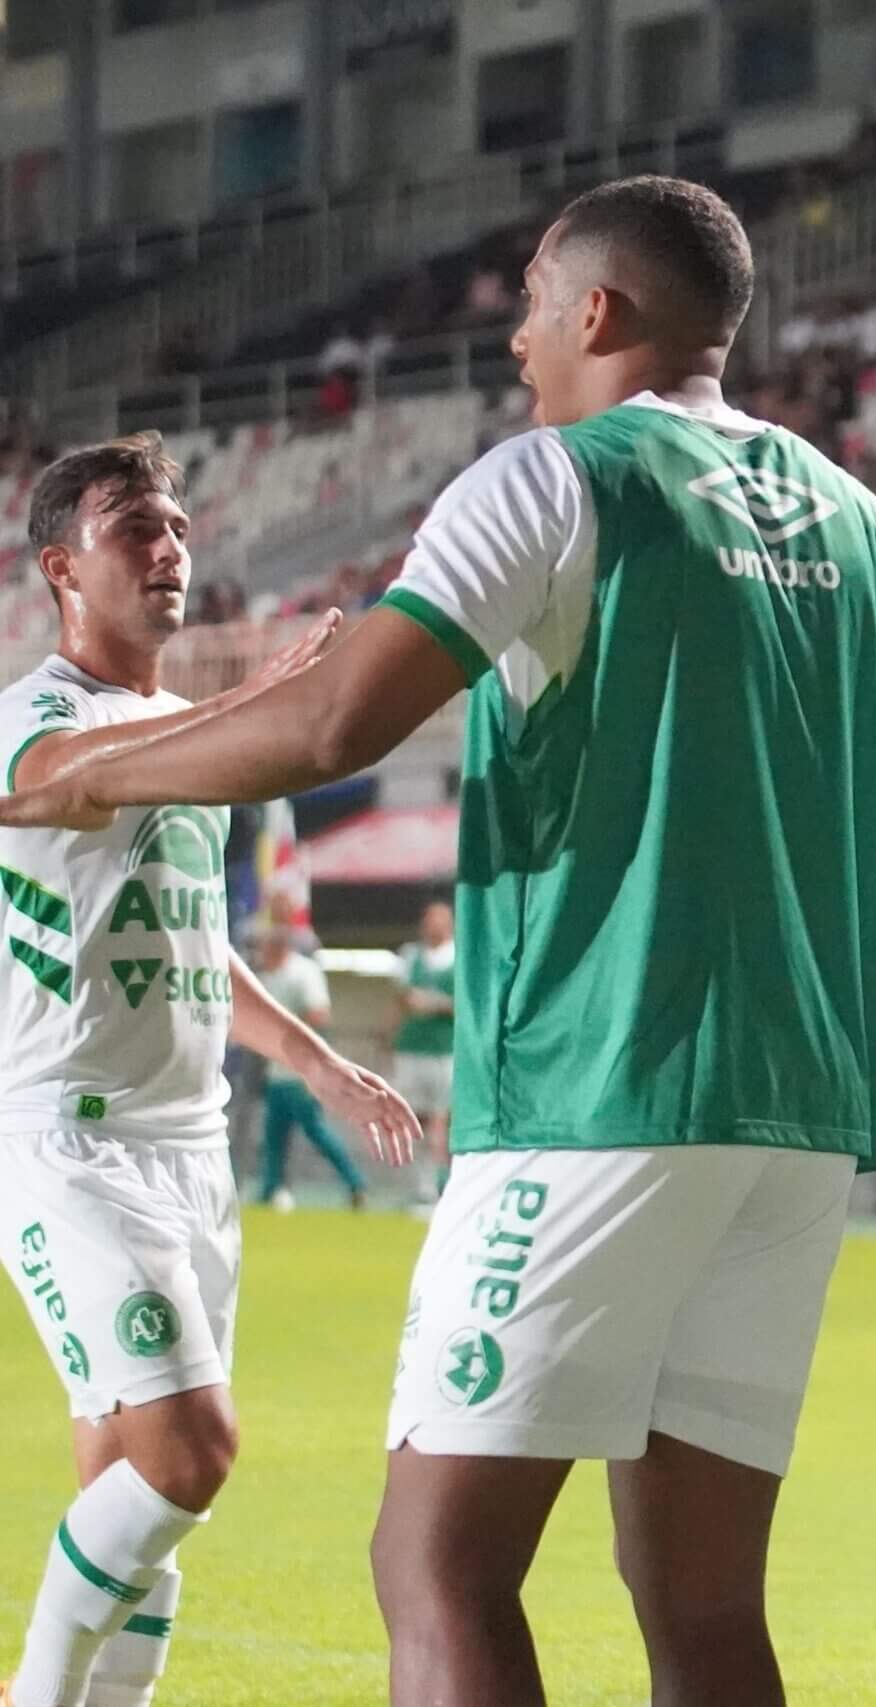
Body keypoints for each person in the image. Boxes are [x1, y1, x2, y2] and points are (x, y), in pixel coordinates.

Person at [0, 176, 876, 1707]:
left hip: (593, 1093)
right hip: (793, 1115)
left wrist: (76, 770)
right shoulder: (859, 520)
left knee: (440, 1565)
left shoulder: (548, 479)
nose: (515, 333)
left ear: (598, 309)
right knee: (707, 1601)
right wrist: (746, 873)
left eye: (530, 296)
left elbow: (333, 721)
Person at [0, 436, 417, 1707]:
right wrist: (255, 704)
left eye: (179, 525)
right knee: (191, 1454)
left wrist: (318, 1056)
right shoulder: (38, 715)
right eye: (137, 527)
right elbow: (49, 793)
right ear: (65, 566)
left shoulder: (184, 734)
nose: (171, 548)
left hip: (190, 1147)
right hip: (71, 1140)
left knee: (132, 1484)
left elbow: (196, 946)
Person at [250, 924, 373, 1211]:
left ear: (279, 948)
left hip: (299, 1073)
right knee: (273, 1137)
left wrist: (302, 1051)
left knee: (316, 1131)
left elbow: (318, 1014)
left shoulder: (303, 972)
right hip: (275, 1071)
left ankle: (356, 1182)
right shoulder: (265, 977)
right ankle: (270, 1189)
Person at [390, 900, 458, 1209]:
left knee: (443, 1120)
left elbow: (463, 1006)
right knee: (414, 1118)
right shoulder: (410, 956)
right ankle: (423, 1186)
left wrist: (433, 1004)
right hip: (412, 1048)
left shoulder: (461, 957)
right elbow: (402, 998)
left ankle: (448, 1183)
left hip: (446, 1050)